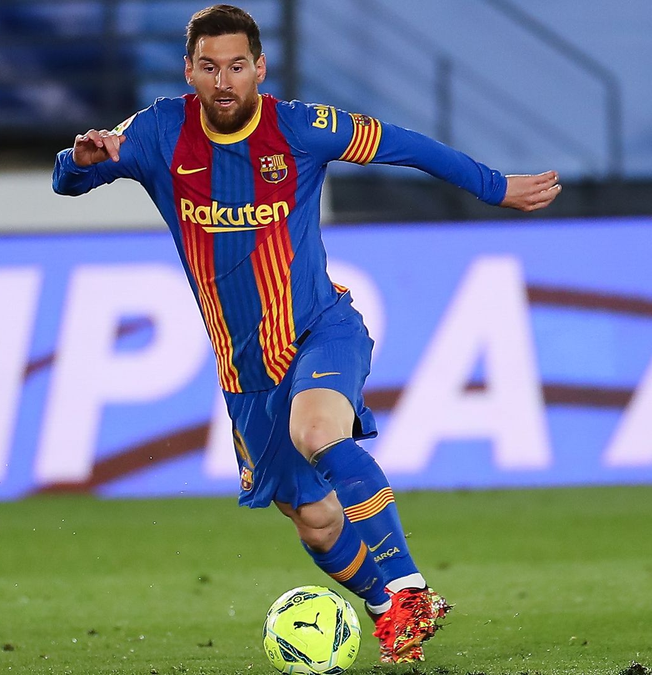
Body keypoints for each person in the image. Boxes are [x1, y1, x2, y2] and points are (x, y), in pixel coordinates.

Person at [51, 3, 560, 664]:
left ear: (260, 67)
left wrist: (495, 187)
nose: (224, 81)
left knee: (318, 431)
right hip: (246, 371)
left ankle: (410, 588)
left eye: (237, 65)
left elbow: (407, 144)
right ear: (189, 71)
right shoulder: (158, 131)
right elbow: (71, 177)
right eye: (209, 67)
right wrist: (78, 159)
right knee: (317, 522)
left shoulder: (302, 128)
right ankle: (388, 610)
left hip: (321, 328)